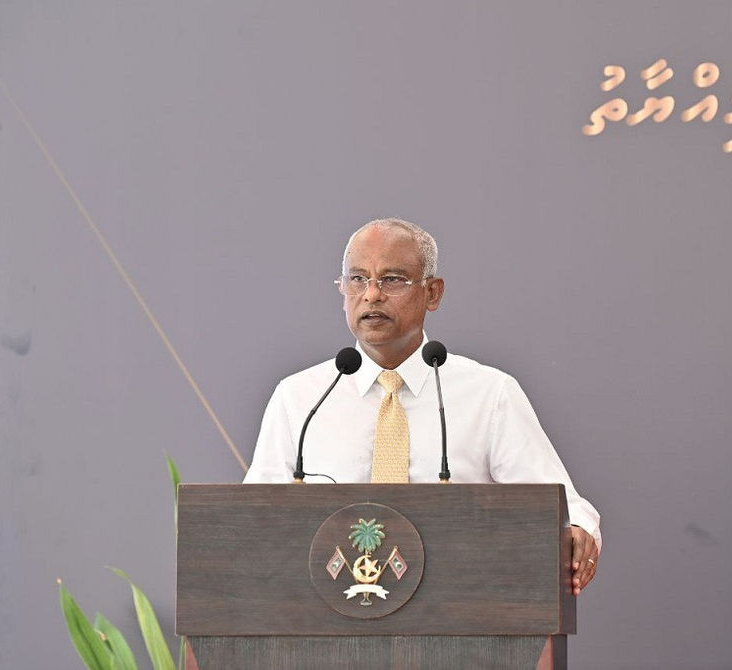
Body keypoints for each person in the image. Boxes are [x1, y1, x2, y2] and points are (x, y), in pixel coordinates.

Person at [245, 218, 600, 594]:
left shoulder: (489, 394)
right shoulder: (300, 398)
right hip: (325, 610)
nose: (372, 294)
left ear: (433, 293)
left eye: (392, 279)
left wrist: (578, 529)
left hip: (458, 607)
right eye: (358, 279)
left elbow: (563, 507)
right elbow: (252, 519)